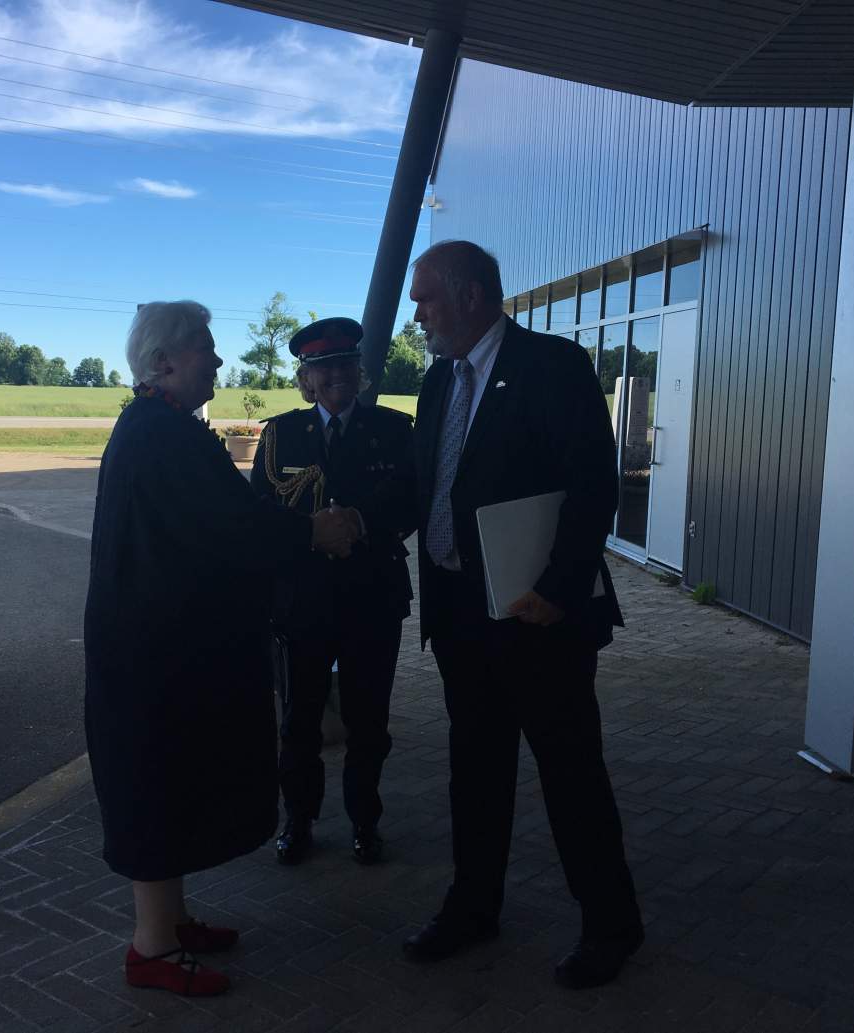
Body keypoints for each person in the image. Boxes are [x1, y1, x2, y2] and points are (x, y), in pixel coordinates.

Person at [84, 301, 356, 998]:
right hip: (156, 660)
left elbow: (221, 523)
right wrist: (310, 534)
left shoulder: (159, 425)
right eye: (205, 347)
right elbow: (231, 529)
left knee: (172, 784)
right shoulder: (160, 434)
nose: (218, 359)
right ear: (164, 362)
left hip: (164, 652)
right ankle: (151, 948)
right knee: (156, 787)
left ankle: (170, 923)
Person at [402, 241, 644, 989]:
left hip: (538, 618)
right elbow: (430, 483)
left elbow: (592, 488)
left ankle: (611, 924)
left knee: (571, 774)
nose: (419, 316)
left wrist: (559, 587)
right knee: (474, 773)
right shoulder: (439, 383)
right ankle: (474, 905)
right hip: (462, 617)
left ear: (471, 295)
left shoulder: (553, 365)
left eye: (428, 299)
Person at [251, 317, 416, 867]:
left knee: (370, 721)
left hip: (372, 598)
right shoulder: (279, 435)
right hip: (302, 604)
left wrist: (357, 524)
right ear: (306, 381)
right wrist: (315, 540)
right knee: (299, 722)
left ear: (360, 373)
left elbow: (413, 500)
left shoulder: (395, 430)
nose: (335, 376)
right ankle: (298, 820)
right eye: (323, 369)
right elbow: (263, 516)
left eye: (345, 365)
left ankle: (366, 822)